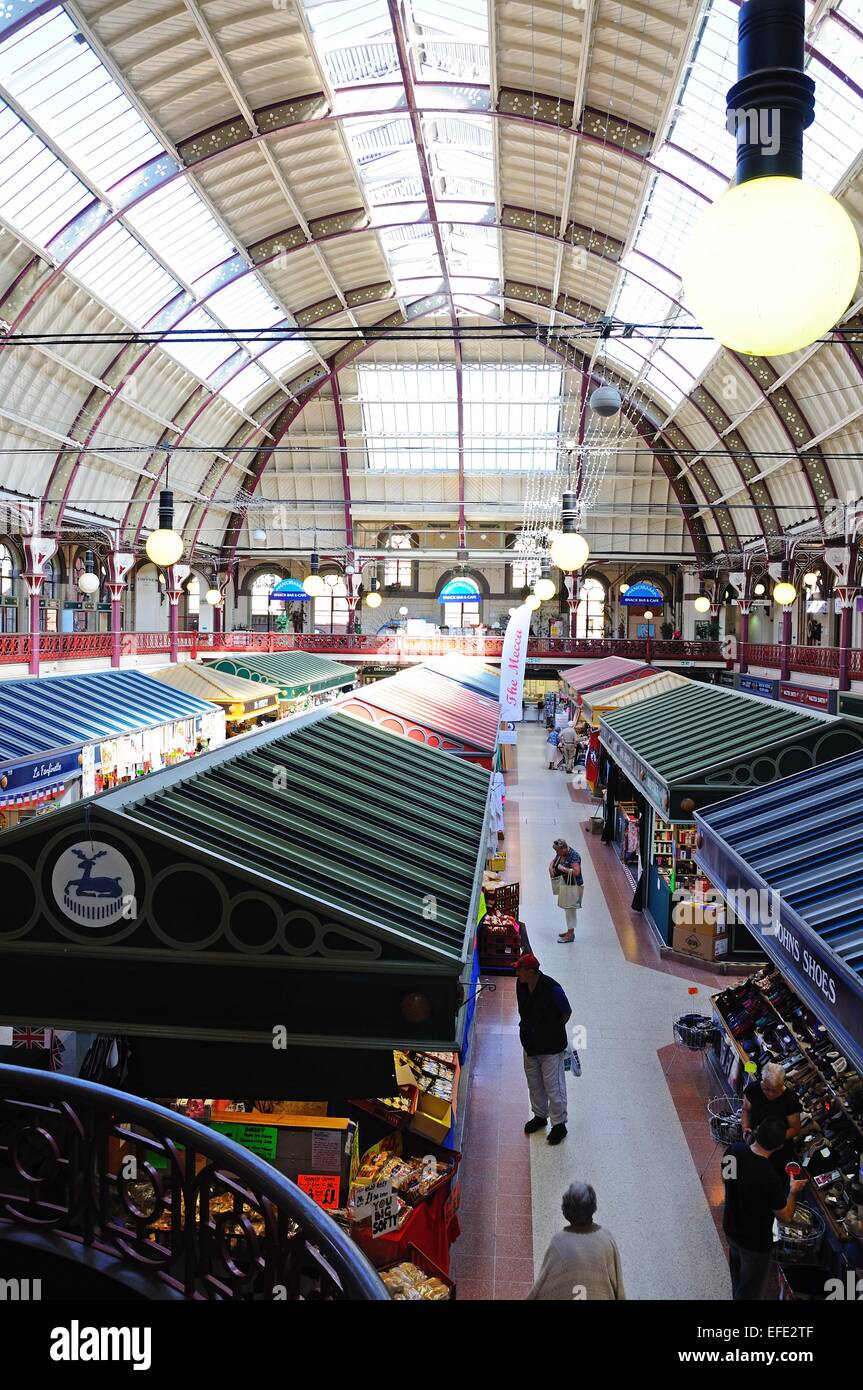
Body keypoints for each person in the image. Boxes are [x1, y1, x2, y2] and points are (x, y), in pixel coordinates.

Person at [722, 1115, 808, 1300]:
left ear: (757, 1130)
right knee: (749, 1291)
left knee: (737, 1278)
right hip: (754, 1242)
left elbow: (727, 1180)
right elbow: (784, 1216)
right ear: (779, 1146)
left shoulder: (733, 1151)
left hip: (731, 1226)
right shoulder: (769, 1177)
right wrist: (793, 1192)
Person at [527, 1183, 625, 1300]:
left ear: (566, 1211)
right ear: (593, 1208)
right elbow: (617, 1285)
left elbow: (544, 1285)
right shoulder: (606, 1240)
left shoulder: (559, 1243)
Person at [515, 954, 571, 1145]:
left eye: (520, 969)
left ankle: (559, 1124)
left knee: (554, 1086)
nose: (517, 973)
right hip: (530, 1044)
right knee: (534, 1083)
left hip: (551, 1047)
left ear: (531, 972)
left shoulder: (552, 988)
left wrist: (551, 1030)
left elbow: (566, 1012)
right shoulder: (520, 984)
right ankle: (540, 1115)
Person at [741, 1063, 802, 1177]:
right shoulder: (754, 1089)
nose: (770, 1094)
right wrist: (745, 1127)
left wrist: (772, 1138)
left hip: (778, 1150)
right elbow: (745, 1109)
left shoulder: (790, 1099)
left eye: (775, 1091)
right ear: (762, 1080)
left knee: (773, 1179)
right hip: (755, 1142)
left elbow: (795, 1128)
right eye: (766, 1089)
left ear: (782, 1085)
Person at [549, 836, 583, 943]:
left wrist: (563, 869)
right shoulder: (561, 853)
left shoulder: (574, 856)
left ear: (564, 849)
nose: (557, 853)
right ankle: (569, 931)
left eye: (558, 851)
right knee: (567, 908)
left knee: (570, 910)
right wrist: (551, 866)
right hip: (565, 884)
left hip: (573, 886)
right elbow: (554, 860)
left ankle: (570, 934)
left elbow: (577, 872)